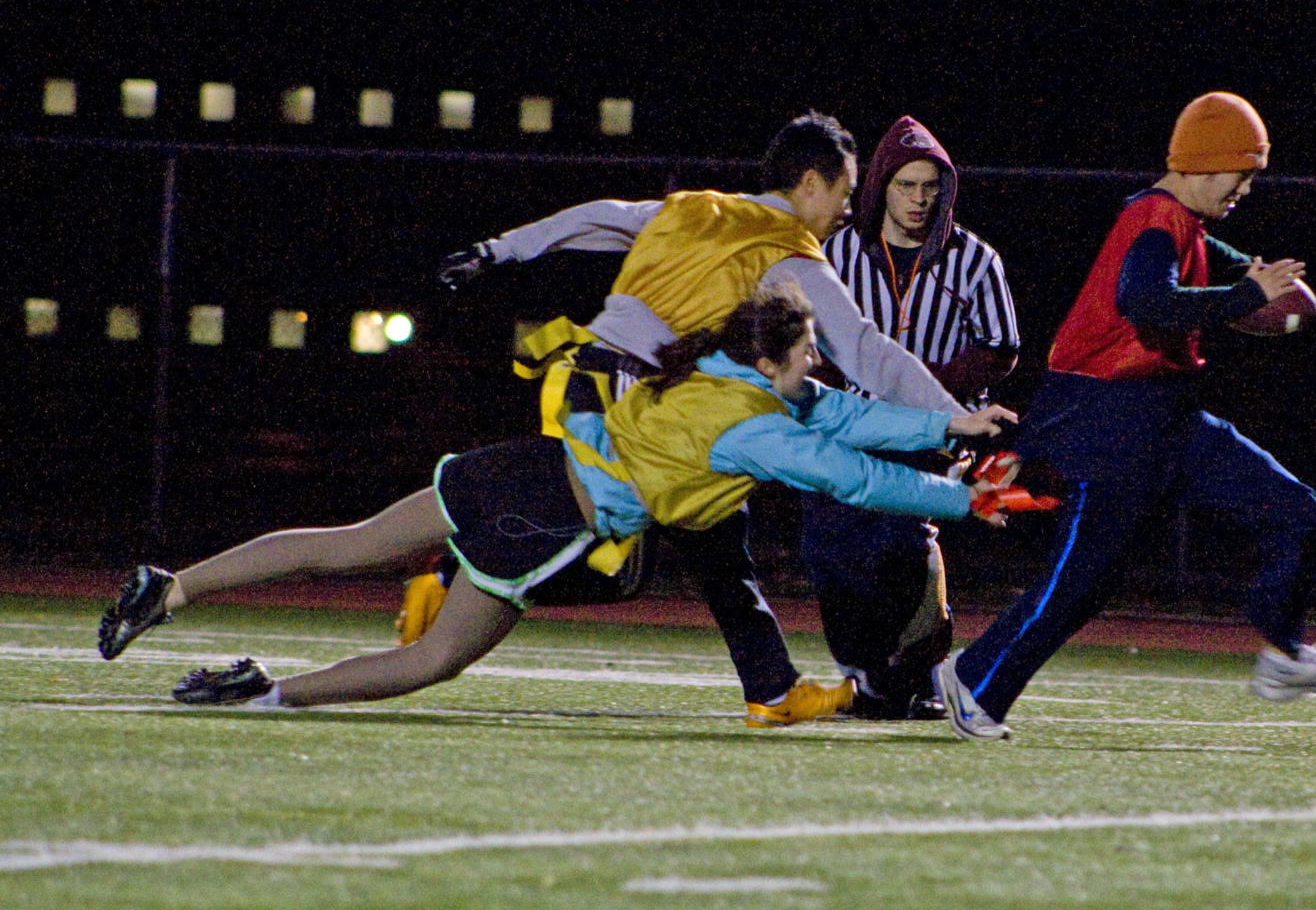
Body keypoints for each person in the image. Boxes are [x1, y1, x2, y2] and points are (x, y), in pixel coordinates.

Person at [100, 286, 1013, 727]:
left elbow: (846, 414)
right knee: (433, 660)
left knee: (350, 543)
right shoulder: (752, 425)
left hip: (519, 468)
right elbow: (849, 475)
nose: (815, 367)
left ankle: (170, 587)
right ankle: (269, 694)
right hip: (545, 521)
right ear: (771, 361)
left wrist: (949, 422)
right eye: (806, 354)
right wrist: (960, 500)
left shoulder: (726, 368)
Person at [431, 111, 1013, 719]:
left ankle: (771, 688)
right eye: (844, 192)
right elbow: (868, 353)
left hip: (596, 380)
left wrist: (497, 250)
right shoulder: (787, 252)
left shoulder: (699, 207)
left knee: (716, 532)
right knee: (628, 563)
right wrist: (956, 422)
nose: (846, 209)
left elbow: (600, 216)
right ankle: (460, 570)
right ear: (811, 183)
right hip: (643, 400)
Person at [932, 92, 1316, 742]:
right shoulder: (1152, 217)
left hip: (1167, 418)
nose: (1245, 189)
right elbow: (1144, 301)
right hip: (1103, 423)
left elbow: (1266, 294)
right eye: (1242, 173)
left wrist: (1261, 294)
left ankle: (1284, 654)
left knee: (1294, 510)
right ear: (1206, 163)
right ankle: (976, 680)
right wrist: (1245, 295)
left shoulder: (1188, 227)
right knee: (1081, 581)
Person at [801, 115, 1021, 719]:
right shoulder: (837, 252)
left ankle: (917, 674)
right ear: (881, 187)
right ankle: (863, 672)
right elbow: (809, 332)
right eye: (906, 185)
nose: (920, 198)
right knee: (826, 543)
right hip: (850, 421)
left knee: (903, 540)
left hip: (934, 428)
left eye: (930, 186)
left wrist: (927, 388)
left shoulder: (974, 259)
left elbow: (1001, 346)